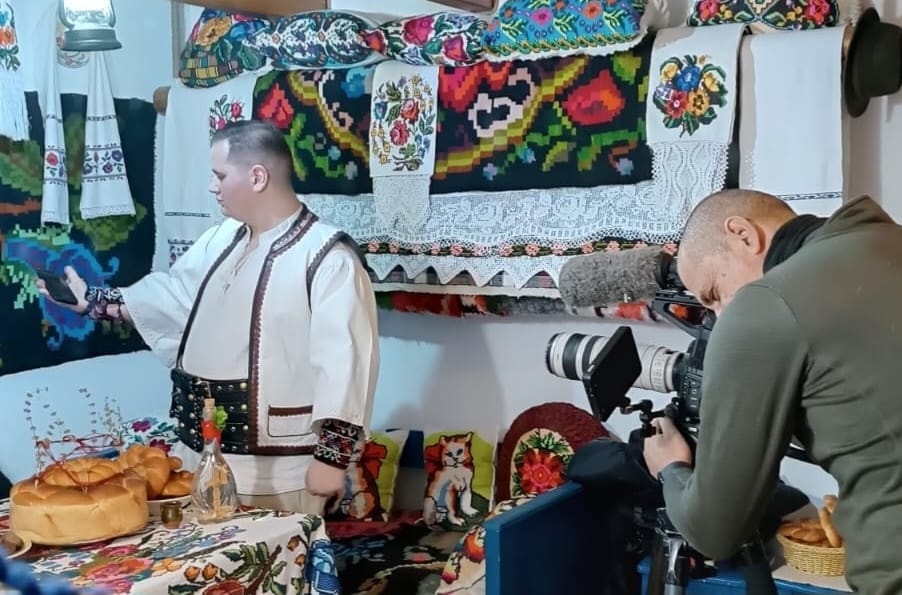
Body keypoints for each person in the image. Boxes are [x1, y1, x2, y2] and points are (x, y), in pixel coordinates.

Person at [37, 119, 380, 515]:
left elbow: (346, 359)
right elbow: (175, 298)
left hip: (279, 472)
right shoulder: (222, 238)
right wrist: (94, 302)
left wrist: (331, 459)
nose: (212, 186)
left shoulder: (328, 258)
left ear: (257, 177)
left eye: (220, 175)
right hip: (201, 459)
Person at [643, 189, 902, 594]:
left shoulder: (765, 305)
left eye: (714, 293)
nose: (720, 316)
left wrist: (671, 468)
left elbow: (715, 532)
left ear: (743, 234)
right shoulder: (885, 242)